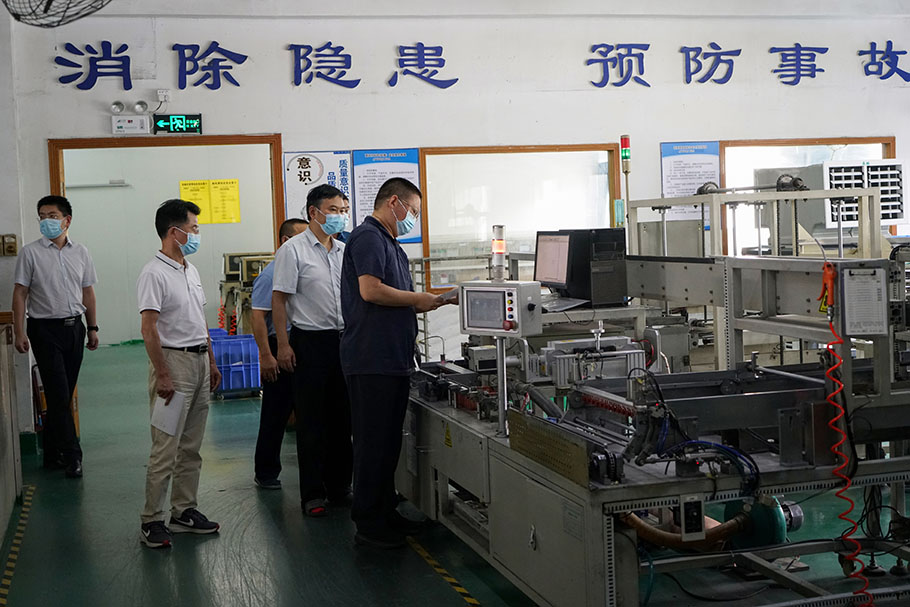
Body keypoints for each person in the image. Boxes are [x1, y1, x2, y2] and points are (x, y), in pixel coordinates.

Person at [340, 177, 452, 549]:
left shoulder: (390, 243)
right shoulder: (369, 237)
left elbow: (396, 297)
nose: (413, 219)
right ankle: (369, 524)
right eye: (412, 211)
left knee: (387, 444)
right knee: (372, 443)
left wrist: (435, 300)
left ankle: (385, 511)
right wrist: (418, 300)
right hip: (371, 358)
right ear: (394, 202)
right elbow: (370, 290)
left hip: (391, 357)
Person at [136, 199, 222, 549]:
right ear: (175, 232)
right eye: (194, 228)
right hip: (173, 364)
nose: (198, 234)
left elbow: (200, 320)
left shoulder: (190, 270)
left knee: (191, 446)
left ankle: (183, 510)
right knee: (166, 447)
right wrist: (163, 374)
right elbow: (149, 329)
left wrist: (211, 361)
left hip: (199, 362)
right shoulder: (153, 273)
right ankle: (152, 519)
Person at [272, 184, 353, 517]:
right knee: (311, 420)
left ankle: (340, 487)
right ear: (313, 212)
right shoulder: (293, 250)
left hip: (343, 341)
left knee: (343, 418)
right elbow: (279, 300)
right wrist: (283, 345)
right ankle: (313, 494)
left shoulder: (344, 250)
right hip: (309, 342)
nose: (340, 216)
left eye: (343, 210)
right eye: (333, 210)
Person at [12, 195, 98, 479]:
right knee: (59, 394)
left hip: (74, 329)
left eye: (52, 215)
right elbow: (20, 293)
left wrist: (93, 327)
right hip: (44, 330)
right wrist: (19, 331)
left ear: (66, 220)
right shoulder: (30, 253)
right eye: (42, 216)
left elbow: (88, 292)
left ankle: (51, 453)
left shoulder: (81, 252)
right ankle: (73, 456)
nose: (46, 220)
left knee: (62, 393)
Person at [251, 217, 308, 489]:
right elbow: (258, 318)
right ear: (286, 241)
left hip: (302, 343)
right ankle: (266, 471)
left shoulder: (303, 268)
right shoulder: (270, 275)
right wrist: (266, 355)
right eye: (301, 238)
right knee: (276, 411)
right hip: (277, 345)